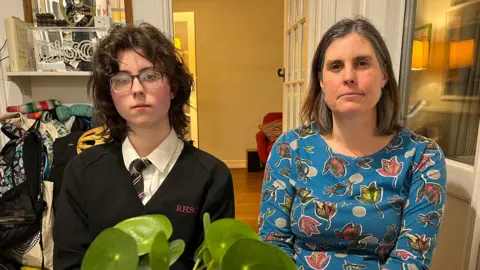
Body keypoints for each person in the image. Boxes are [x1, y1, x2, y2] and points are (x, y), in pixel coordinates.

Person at [258, 17, 446, 269]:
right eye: (335, 66)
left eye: (361, 63)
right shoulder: (289, 148)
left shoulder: (422, 156)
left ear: (384, 75)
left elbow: (410, 261)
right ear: (322, 82)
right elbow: (273, 244)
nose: (348, 76)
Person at [53, 23, 235, 270]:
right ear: (110, 94)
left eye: (150, 76)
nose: (137, 89)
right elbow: (70, 263)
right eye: (121, 79)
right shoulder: (81, 172)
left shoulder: (212, 176)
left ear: (173, 87)